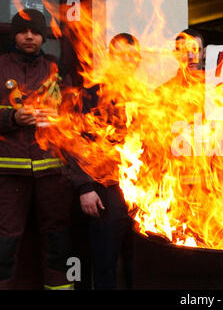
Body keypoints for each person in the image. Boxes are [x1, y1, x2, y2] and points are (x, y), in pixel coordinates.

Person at [0, 9, 74, 290]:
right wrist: (12, 118)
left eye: (35, 32)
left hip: (51, 169)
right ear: (14, 35)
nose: (29, 36)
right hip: (9, 170)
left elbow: (72, 114)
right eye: (23, 31)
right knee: (5, 240)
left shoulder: (55, 68)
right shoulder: (0, 66)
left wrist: (60, 118)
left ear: (43, 37)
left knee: (57, 237)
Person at [68, 33, 141, 290]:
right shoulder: (90, 95)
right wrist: (85, 187)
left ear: (139, 60)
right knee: (105, 264)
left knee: (140, 264)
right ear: (110, 58)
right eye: (120, 54)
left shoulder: (150, 99)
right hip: (105, 191)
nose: (127, 60)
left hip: (146, 196)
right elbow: (74, 142)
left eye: (132, 55)